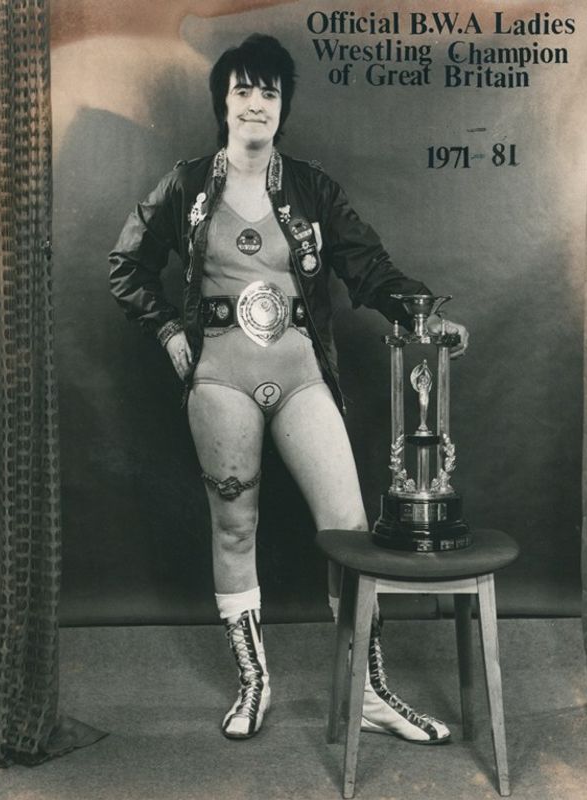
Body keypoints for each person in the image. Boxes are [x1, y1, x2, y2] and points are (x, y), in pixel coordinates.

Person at [109, 34, 469, 743]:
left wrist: (422, 315)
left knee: (348, 526)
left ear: (281, 107)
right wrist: (167, 333)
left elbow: (369, 268)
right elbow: (127, 267)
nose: (254, 104)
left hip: (301, 370)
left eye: (268, 93)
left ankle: (367, 691)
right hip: (219, 376)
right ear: (223, 101)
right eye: (242, 90)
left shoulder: (311, 187)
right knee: (234, 524)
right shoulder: (186, 184)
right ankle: (253, 681)